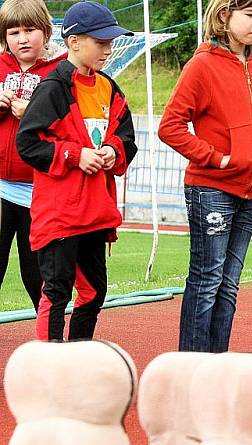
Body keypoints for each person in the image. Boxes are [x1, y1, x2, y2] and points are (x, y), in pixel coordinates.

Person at [158, 0, 252, 352]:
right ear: (225, 15)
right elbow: (171, 126)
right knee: (207, 280)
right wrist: (216, 159)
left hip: (248, 193)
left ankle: (217, 364)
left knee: (229, 285)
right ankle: (192, 366)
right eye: (250, 15)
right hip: (211, 189)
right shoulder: (202, 65)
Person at [16, 1, 136, 341]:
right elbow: (28, 143)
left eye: (110, 42)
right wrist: (74, 154)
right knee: (56, 293)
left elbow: (126, 135)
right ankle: (49, 365)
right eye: (101, 42)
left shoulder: (108, 87)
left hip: (95, 213)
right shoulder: (53, 87)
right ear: (74, 42)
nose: (108, 49)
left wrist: (114, 150)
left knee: (95, 292)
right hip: (60, 216)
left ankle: (79, 356)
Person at [0, 0, 65, 311]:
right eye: (13, 32)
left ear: (46, 32)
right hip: (0, 186)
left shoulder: (62, 71)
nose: (22, 38)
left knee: (36, 273)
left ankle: (48, 341)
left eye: (30, 30)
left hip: (39, 190)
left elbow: (71, 126)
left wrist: (35, 113)